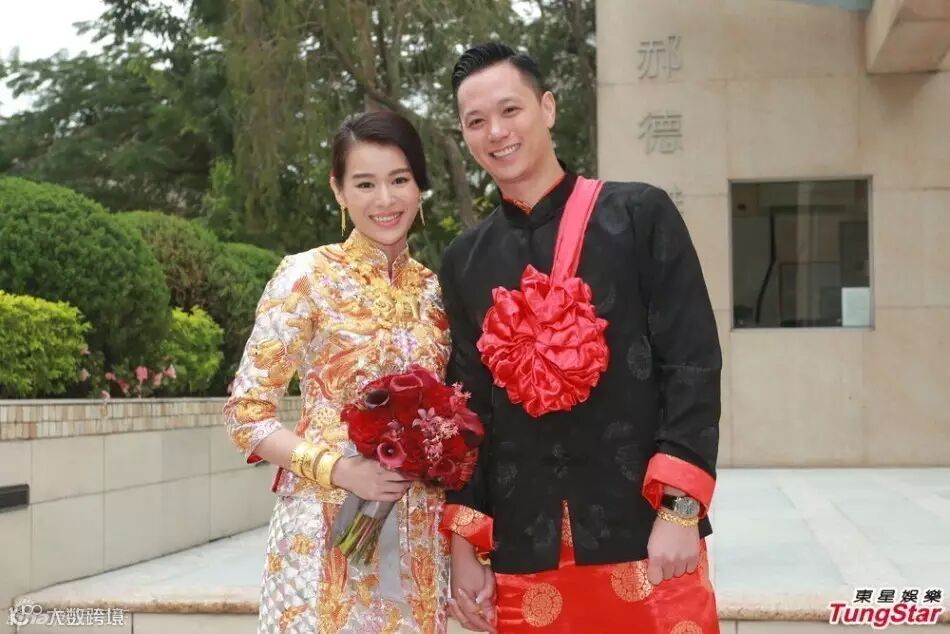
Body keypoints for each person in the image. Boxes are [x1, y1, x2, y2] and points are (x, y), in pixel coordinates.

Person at [439, 42, 722, 633]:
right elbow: (467, 410)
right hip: (524, 546)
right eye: (476, 121)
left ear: (547, 108)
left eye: (510, 110)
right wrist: (465, 543)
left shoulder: (638, 215)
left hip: (645, 531)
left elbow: (691, 362)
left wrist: (679, 509)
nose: (496, 132)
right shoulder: (465, 260)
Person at [224, 110, 452, 633]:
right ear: (339, 191)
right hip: (323, 529)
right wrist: (341, 469)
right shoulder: (306, 276)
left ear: (419, 186)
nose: (385, 199)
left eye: (400, 180)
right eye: (365, 184)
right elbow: (246, 415)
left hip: (418, 536)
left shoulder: (436, 292)